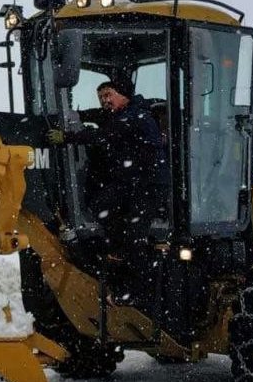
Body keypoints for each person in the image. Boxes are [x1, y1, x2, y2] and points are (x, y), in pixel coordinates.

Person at [48, 79, 165, 264]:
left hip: (148, 183)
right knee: (100, 204)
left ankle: (133, 264)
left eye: (108, 95)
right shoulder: (120, 114)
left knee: (135, 232)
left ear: (122, 95)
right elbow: (97, 115)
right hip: (131, 181)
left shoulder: (135, 115)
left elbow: (104, 135)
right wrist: (76, 114)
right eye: (101, 97)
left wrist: (67, 137)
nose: (104, 101)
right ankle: (119, 250)